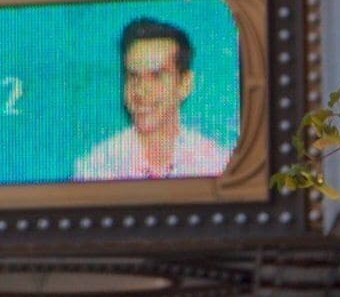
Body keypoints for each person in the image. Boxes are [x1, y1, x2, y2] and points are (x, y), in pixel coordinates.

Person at [73, 16, 230, 180]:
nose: (141, 92)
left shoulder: (215, 164)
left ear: (185, 84)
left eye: (156, 76)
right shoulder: (96, 169)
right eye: (133, 76)